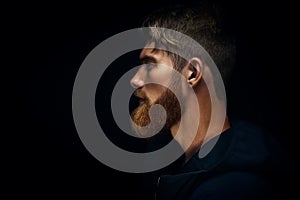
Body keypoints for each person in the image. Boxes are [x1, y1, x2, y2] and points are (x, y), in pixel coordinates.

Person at [128, 2, 287, 200]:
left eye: (151, 65)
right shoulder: (176, 169)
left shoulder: (234, 190)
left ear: (192, 73)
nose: (135, 80)